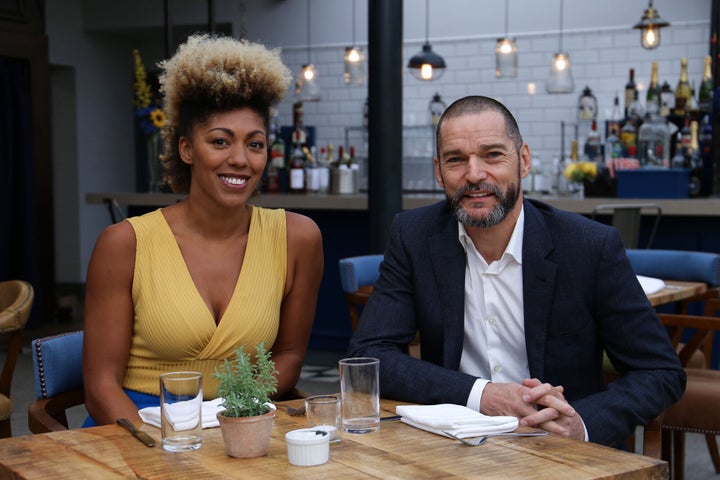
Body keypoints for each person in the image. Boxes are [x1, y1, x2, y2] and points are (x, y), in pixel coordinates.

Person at [347, 95, 685, 448]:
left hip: (558, 451)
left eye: (493, 155)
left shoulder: (588, 246)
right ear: (438, 171)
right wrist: (482, 395)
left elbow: (661, 372)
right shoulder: (414, 235)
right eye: (456, 160)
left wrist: (582, 424)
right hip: (450, 448)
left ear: (523, 160)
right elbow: (367, 355)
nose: (474, 174)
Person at [83, 34, 324, 426]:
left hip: (239, 420)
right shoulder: (124, 243)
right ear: (186, 149)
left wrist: (230, 417)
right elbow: (100, 386)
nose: (240, 160)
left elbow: (290, 356)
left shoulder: (297, 238)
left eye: (256, 144)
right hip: (133, 428)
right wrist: (160, 448)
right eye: (219, 141)